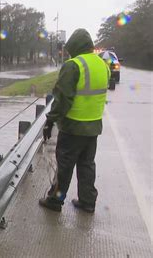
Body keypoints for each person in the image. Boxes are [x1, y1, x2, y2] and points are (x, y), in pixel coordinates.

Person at [39, 28, 110, 213]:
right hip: (93, 126)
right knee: (87, 165)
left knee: (65, 166)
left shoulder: (73, 65)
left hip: (73, 126)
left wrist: (50, 121)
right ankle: (88, 202)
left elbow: (63, 98)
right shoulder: (103, 65)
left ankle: (55, 200)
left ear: (76, 47)